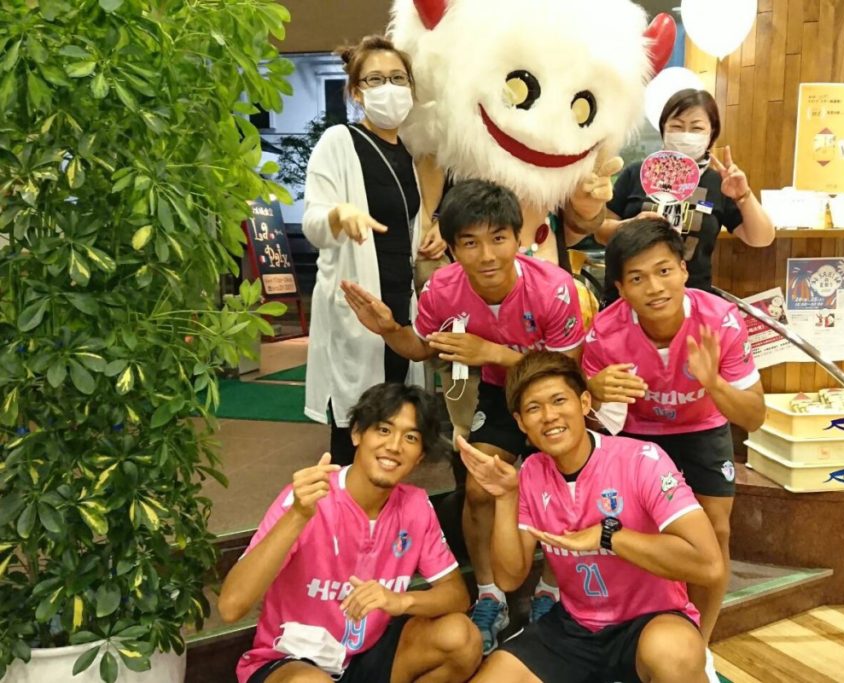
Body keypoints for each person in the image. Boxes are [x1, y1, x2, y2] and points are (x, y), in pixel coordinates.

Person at [341, 179, 586, 654]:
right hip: (494, 393)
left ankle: (552, 591)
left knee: (564, 481)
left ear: (517, 238)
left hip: (552, 390)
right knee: (477, 488)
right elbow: (421, 346)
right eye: (470, 243)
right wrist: (389, 329)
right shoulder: (442, 288)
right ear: (452, 248)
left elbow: (567, 370)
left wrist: (492, 351)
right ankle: (491, 595)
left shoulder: (554, 289)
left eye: (498, 238)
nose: (487, 255)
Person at [458, 351, 723, 683]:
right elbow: (509, 579)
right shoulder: (531, 474)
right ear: (521, 423)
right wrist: (505, 498)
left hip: (650, 623)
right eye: (534, 408)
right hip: (575, 628)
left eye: (559, 400)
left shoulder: (642, 460)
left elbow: (709, 565)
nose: (549, 416)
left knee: (674, 653)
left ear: (584, 402)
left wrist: (609, 536)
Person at [220, 383, 481, 683]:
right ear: (357, 433)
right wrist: (297, 516)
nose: (394, 446)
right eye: (383, 430)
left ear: (420, 456)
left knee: (461, 638)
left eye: (411, 437)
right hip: (292, 662)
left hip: (366, 655)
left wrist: (401, 601)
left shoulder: (416, 506)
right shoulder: (308, 497)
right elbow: (230, 607)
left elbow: (456, 596)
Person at [583, 219, 766, 642]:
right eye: (637, 278)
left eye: (664, 270)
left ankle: (699, 643)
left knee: (716, 531)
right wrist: (593, 391)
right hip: (636, 434)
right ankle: (632, 635)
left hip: (702, 427)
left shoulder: (720, 321)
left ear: (684, 270)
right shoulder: (605, 334)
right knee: (632, 532)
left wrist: (714, 384)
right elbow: (591, 426)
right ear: (620, 288)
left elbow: (754, 417)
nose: (654, 287)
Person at [301, 35, 447, 466]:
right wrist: (339, 214)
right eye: (376, 79)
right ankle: (345, 503)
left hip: (399, 306)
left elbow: (409, 224)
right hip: (358, 307)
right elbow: (313, 222)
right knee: (358, 425)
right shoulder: (339, 142)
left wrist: (432, 230)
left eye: (398, 79)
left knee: (395, 423)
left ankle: (387, 506)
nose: (389, 88)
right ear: (357, 91)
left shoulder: (408, 155)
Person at [601, 88, 775, 292]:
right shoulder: (637, 173)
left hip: (692, 298)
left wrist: (743, 196)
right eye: (676, 126)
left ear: (712, 133)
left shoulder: (720, 183)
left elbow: (761, 238)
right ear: (663, 129)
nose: (685, 135)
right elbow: (600, 231)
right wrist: (630, 227)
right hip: (630, 295)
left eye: (696, 128)